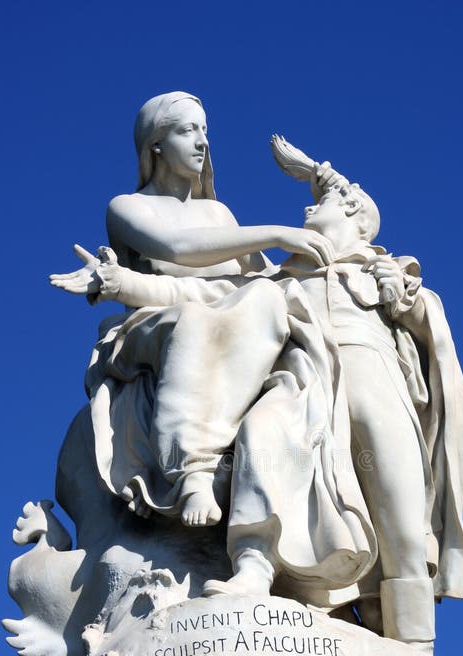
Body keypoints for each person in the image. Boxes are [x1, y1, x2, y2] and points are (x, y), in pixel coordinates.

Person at [53, 173, 463, 654]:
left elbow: (428, 330)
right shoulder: (276, 278)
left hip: (377, 380)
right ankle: (253, 566)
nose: (308, 209)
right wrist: (120, 281)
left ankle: (413, 642)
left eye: (325, 201)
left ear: (355, 212)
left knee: (399, 509)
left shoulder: (386, 272)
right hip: (309, 383)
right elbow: (197, 296)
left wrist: (406, 297)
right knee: (262, 431)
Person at [53, 91, 340, 528]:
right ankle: (192, 471)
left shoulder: (220, 214)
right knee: (195, 319)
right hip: (154, 326)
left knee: (266, 301)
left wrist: (325, 188)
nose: (202, 142)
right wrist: (276, 234)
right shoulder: (128, 207)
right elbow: (177, 248)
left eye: (205, 130)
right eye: (187, 130)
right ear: (155, 145)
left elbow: (270, 281)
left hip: (230, 321)